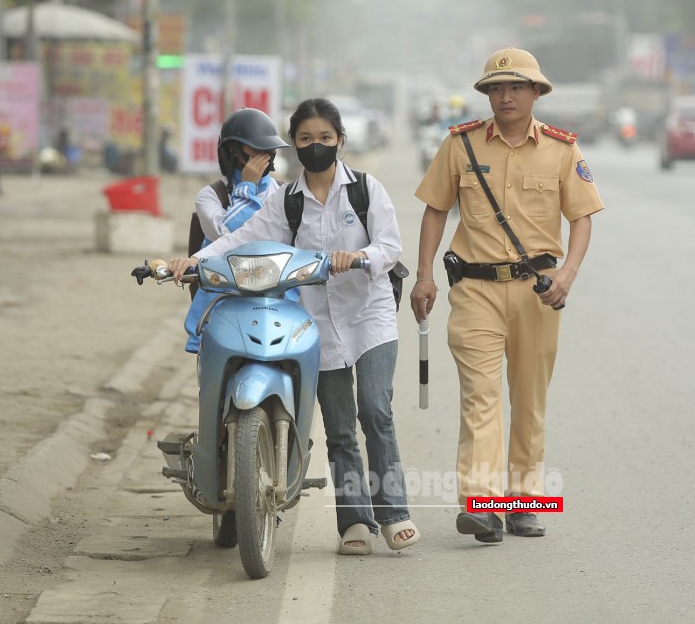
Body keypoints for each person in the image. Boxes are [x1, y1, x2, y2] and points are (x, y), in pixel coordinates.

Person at [168, 97, 420, 555]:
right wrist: (192, 261)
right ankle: (355, 522)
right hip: (316, 322)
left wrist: (359, 256)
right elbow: (239, 238)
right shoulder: (284, 200)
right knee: (340, 428)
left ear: (340, 140)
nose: (315, 145)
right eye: (305, 138)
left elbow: (390, 246)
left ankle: (394, 512)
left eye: (325, 137)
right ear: (294, 144)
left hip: (370, 316)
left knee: (374, 411)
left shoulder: (366, 190)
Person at [410, 47, 604, 543]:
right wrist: (425, 275)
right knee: (481, 398)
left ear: (536, 92)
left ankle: (523, 503)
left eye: (517, 86)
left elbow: (582, 217)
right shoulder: (460, 145)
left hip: (538, 293)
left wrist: (568, 274)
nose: (506, 96)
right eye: (496, 88)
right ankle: (483, 506)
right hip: (474, 290)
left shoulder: (562, 150)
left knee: (529, 401)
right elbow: (435, 209)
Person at [183, 108, 291, 353]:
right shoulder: (211, 195)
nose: (265, 156)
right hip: (223, 300)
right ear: (233, 150)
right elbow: (230, 235)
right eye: (256, 149)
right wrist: (247, 187)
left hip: (275, 298)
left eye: (269, 149)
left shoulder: (284, 192)